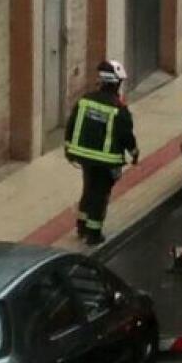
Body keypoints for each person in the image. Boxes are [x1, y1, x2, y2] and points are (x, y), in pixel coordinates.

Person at [64, 60, 139, 246]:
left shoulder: (84, 101)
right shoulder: (118, 109)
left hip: (84, 157)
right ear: (116, 83)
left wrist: (69, 150)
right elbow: (125, 135)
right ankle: (94, 234)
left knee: (88, 189)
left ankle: (81, 226)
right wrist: (134, 152)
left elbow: (71, 126)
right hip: (106, 161)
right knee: (100, 195)